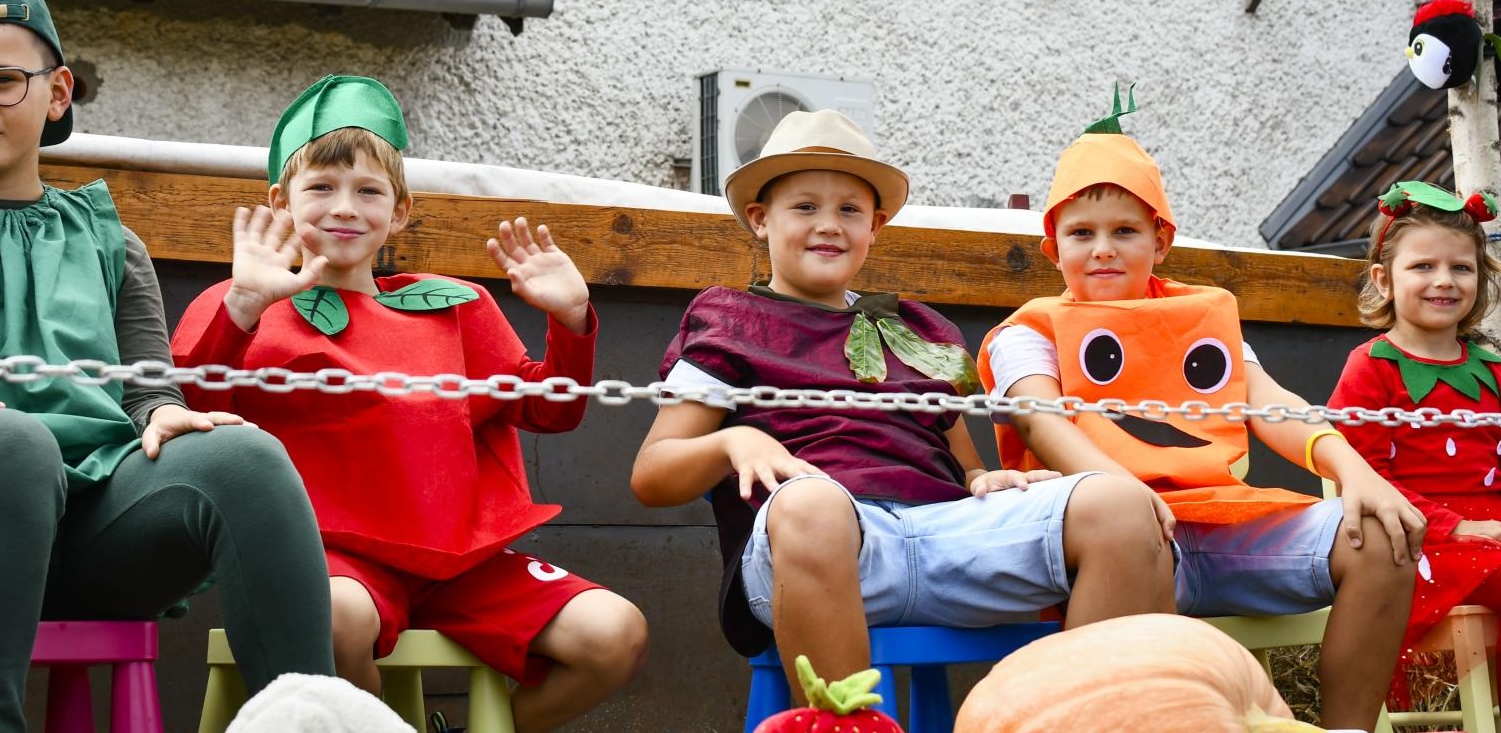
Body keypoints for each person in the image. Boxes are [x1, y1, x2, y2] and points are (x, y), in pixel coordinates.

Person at [0, 0, 333, 733]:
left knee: (246, 456)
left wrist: (163, 410)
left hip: (86, 534)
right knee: (7, 438)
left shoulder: (109, 241)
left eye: (5, 80)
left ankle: (310, 722)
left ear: (58, 91)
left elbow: (145, 386)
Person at [630, 109, 1174, 699]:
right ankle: (848, 720)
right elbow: (652, 475)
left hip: (946, 536)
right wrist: (733, 440)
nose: (829, 225)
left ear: (876, 225)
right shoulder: (726, 318)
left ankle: (1072, 714)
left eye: (849, 210)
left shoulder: (920, 326)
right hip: (819, 547)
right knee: (812, 504)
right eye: (805, 207)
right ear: (761, 220)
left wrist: (980, 479)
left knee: (1119, 505)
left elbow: (963, 462)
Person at [172, 75, 646, 733]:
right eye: (320, 187)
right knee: (337, 616)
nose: (345, 206)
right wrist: (244, 309)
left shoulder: (456, 304)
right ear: (279, 201)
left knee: (614, 632)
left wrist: (570, 320)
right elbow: (190, 413)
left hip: (463, 566)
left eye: (368, 190)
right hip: (334, 561)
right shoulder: (240, 304)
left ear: (399, 209)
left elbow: (552, 411)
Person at [979, 88, 1425, 731]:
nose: (1102, 248)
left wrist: (1354, 470)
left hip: (1226, 525)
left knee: (1381, 540)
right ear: (1053, 247)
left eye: (1125, 231)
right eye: (1082, 233)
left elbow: (1268, 402)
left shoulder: (1201, 317)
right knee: (1135, 610)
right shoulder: (1033, 330)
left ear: (1160, 241)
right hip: (1124, 541)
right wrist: (1123, 496)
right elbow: (1038, 419)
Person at [1327, 181, 1501, 696]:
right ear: (1384, 279)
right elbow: (1364, 476)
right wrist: (1462, 525)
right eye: (1423, 266)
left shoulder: (1493, 368)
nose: (1443, 281)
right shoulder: (1372, 368)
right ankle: (1442, 706)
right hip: (1422, 536)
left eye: (1461, 267)